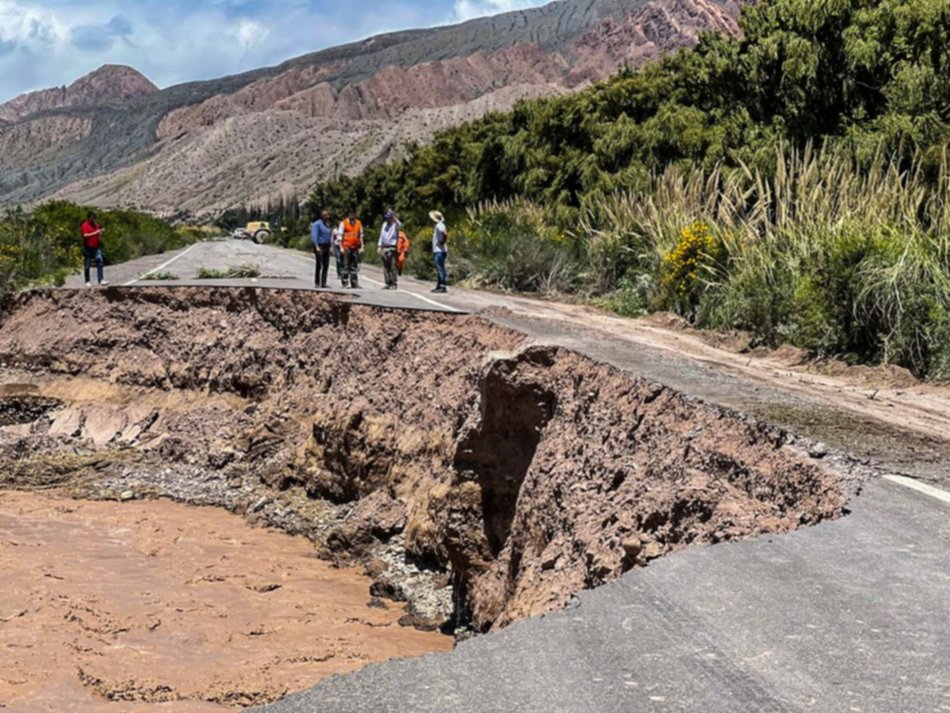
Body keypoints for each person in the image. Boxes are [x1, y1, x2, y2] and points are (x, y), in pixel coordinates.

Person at [81, 211, 108, 287]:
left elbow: (99, 230)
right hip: (88, 247)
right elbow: (85, 235)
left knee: (100, 261)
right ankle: (87, 281)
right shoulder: (85, 225)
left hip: (96, 247)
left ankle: (101, 279)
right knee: (87, 265)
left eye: (94, 218)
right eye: (92, 218)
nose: (93, 219)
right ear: (88, 218)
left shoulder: (95, 224)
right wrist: (96, 232)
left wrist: (101, 231)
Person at [339, 209, 364, 288]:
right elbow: (340, 236)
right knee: (345, 265)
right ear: (348, 215)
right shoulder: (344, 223)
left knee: (354, 266)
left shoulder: (358, 223)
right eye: (350, 214)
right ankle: (345, 283)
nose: (352, 215)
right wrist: (341, 247)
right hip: (346, 247)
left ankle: (354, 283)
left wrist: (362, 246)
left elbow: (361, 236)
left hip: (355, 248)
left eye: (353, 214)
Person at [378, 210, 401, 289]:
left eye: (389, 218)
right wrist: (379, 246)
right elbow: (382, 235)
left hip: (392, 247)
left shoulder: (395, 225)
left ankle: (393, 283)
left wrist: (394, 216)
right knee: (385, 267)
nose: (387, 220)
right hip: (384, 247)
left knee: (392, 266)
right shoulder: (384, 225)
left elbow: (400, 224)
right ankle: (387, 283)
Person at [311, 210, 333, 288]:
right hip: (320, 246)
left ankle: (323, 282)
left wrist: (330, 247)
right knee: (319, 264)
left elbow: (329, 236)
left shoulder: (327, 225)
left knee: (326, 265)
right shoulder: (317, 224)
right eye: (326, 215)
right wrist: (316, 246)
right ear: (322, 216)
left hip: (327, 246)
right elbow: (314, 236)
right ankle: (317, 282)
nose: (328, 217)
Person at [430, 210, 448, 293]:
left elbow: (445, 233)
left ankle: (442, 286)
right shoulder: (440, 225)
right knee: (440, 268)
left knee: (440, 268)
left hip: (439, 250)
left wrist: (443, 241)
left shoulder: (439, 225)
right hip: (439, 250)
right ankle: (439, 285)